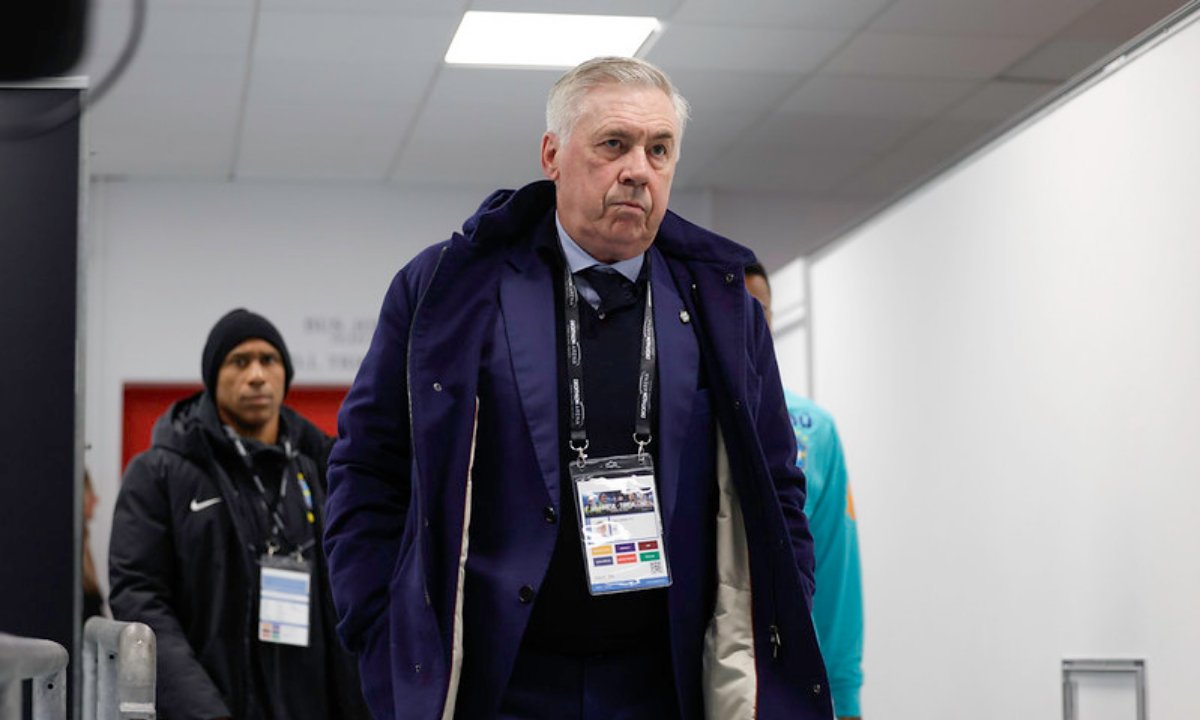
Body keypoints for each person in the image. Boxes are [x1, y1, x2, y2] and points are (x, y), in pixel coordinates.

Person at [324, 56, 831, 720]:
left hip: (668, 683)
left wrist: (782, 607)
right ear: (553, 155)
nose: (638, 171)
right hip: (498, 681)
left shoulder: (720, 299)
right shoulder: (451, 288)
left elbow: (776, 485)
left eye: (659, 150)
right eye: (614, 145)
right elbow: (367, 469)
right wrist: (379, 629)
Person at [109, 309, 368, 720]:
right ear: (213, 377)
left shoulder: (323, 466)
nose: (257, 376)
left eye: (269, 360)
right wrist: (202, 711)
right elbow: (140, 597)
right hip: (213, 706)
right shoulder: (159, 474)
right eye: (239, 361)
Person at [745, 263, 864, 720]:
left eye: (762, 311)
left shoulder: (814, 430)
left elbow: (837, 576)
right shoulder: (678, 417)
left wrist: (845, 699)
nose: (752, 323)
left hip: (788, 684)